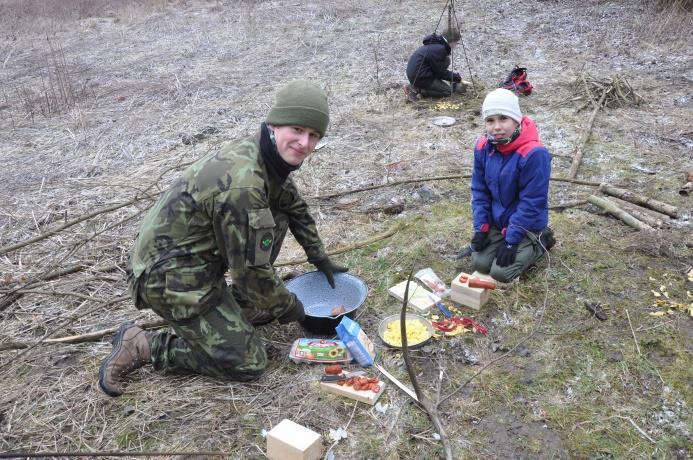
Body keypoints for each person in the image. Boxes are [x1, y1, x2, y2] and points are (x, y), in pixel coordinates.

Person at [99, 80, 347, 397]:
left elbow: (294, 208)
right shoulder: (244, 184)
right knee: (248, 362)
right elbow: (250, 274)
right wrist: (293, 309)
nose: (304, 142)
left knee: (279, 214)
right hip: (167, 278)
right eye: (297, 130)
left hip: (199, 261)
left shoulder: (264, 156)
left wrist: (318, 256)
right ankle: (145, 345)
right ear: (274, 125)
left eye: (313, 135)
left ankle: (243, 308)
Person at [466, 88, 555, 283]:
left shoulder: (534, 154)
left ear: (516, 120)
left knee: (501, 274)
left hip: (527, 224)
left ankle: (541, 241)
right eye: (490, 120)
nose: (496, 127)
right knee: (479, 264)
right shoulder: (483, 147)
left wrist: (512, 240)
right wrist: (481, 228)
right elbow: (479, 191)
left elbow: (531, 203)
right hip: (499, 221)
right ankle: (501, 239)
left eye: (503, 119)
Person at [405, 28, 466, 102]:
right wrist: (457, 78)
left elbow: (438, 68)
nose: (456, 45)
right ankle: (417, 89)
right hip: (421, 77)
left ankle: (418, 86)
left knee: (446, 60)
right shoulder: (440, 49)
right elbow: (441, 73)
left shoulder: (437, 44)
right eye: (456, 42)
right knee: (448, 92)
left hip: (417, 73)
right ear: (452, 41)